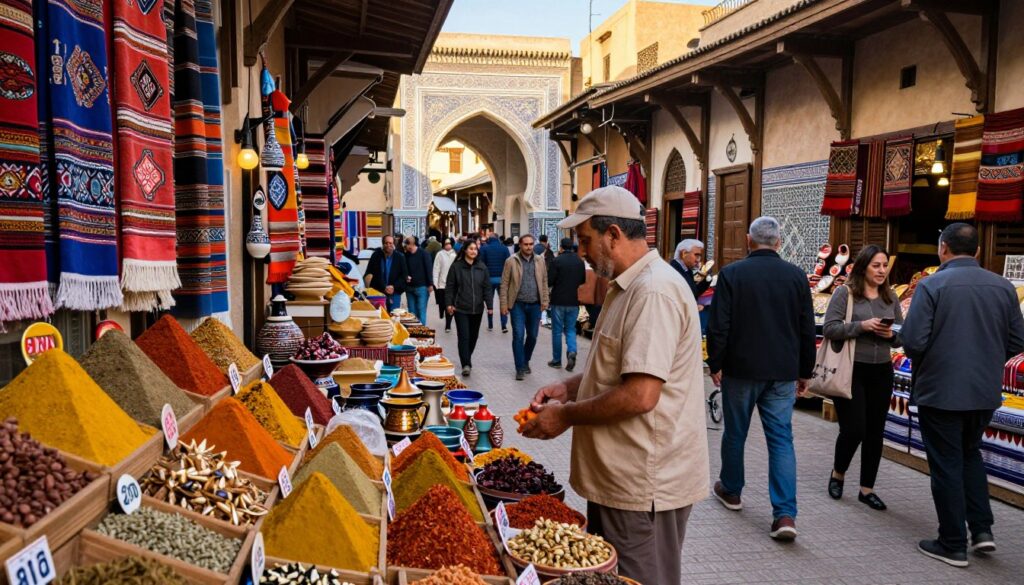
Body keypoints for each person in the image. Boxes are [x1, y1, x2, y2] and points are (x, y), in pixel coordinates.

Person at [521, 185, 708, 585]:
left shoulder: (653, 290)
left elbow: (640, 395)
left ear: (613, 235)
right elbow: (620, 371)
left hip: (643, 484)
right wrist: (570, 388)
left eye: (586, 240)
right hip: (621, 478)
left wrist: (565, 417)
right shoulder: (628, 284)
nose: (583, 251)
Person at [901, 223, 1024, 567]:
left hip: (940, 390)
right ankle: (982, 530)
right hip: (984, 391)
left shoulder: (932, 285)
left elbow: (913, 341)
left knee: (946, 465)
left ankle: (952, 542)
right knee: (970, 455)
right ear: (978, 252)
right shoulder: (1003, 287)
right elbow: (1017, 342)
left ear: (943, 249)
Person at [705, 216, 815, 541]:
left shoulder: (732, 274)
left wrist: (716, 362)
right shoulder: (797, 277)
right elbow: (806, 328)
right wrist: (804, 371)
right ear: (779, 243)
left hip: (740, 369)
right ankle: (784, 515)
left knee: (735, 433)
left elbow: (719, 324)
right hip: (782, 372)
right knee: (781, 440)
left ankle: (732, 491)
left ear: (748, 241)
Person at [822, 245, 904, 511]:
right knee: (854, 428)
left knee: (875, 432)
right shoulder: (845, 294)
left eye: (884, 266)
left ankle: (867, 489)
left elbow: (901, 337)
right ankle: (838, 473)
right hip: (850, 369)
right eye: (876, 266)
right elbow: (830, 328)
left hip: (881, 370)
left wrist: (891, 336)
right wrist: (861, 327)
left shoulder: (890, 298)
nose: (881, 271)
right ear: (863, 267)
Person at [500, 233, 549, 381]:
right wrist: (504, 304)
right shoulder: (511, 261)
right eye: (526, 244)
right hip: (517, 305)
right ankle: (519, 368)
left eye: (531, 244)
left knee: (533, 336)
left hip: (535, 304)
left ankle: (525, 360)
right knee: (518, 335)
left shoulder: (540, 260)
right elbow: (504, 284)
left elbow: (544, 281)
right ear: (520, 245)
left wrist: (545, 300)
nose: (528, 247)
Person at [445, 240, 493, 377]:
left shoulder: (482, 267)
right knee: (464, 337)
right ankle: (466, 364)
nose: (473, 251)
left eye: (475, 249)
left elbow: (487, 288)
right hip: (460, 308)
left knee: (473, 337)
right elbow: (450, 287)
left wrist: (489, 306)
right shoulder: (456, 267)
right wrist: (449, 303)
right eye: (471, 248)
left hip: (477, 309)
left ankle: (467, 357)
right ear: (465, 250)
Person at [547, 237, 586, 371]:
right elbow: (582, 280)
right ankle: (572, 351)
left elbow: (549, 281)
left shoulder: (556, 261)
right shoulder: (579, 262)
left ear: (561, 247)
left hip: (558, 300)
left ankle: (557, 360)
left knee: (557, 331)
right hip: (573, 301)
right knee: (570, 329)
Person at [671, 239, 711, 334]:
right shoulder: (674, 270)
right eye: (696, 255)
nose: (698, 260)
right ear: (684, 253)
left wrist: (707, 279)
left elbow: (694, 292)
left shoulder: (686, 269)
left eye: (700, 256)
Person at [364, 235, 407, 312]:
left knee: (394, 315)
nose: (388, 245)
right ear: (383, 244)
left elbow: (404, 276)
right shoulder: (376, 256)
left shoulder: (400, 257)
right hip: (379, 293)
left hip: (395, 292)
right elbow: (370, 272)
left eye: (390, 243)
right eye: (386, 243)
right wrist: (384, 287)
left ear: (394, 244)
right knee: (380, 316)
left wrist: (393, 287)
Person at [479, 235, 511, 332]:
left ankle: (490, 324)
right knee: (503, 301)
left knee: (489, 302)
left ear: (489, 240)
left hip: (489, 279)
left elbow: (481, 263)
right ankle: (504, 325)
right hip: (502, 279)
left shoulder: (484, 248)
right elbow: (509, 263)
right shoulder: (504, 248)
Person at [403, 236, 433, 325]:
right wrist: (406, 277)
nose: (406, 246)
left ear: (412, 244)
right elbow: (404, 269)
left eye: (407, 244)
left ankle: (422, 335)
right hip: (409, 288)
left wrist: (430, 284)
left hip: (422, 287)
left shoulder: (424, 253)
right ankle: (413, 334)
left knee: (421, 311)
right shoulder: (406, 255)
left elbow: (428, 269)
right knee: (411, 313)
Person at [432, 237, 457, 332]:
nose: (448, 245)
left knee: (450, 304)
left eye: (449, 243)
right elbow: (436, 269)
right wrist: (435, 283)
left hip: (452, 285)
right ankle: (441, 310)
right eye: (446, 243)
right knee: (442, 303)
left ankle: (448, 325)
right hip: (441, 284)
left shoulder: (456, 254)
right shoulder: (440, 254)